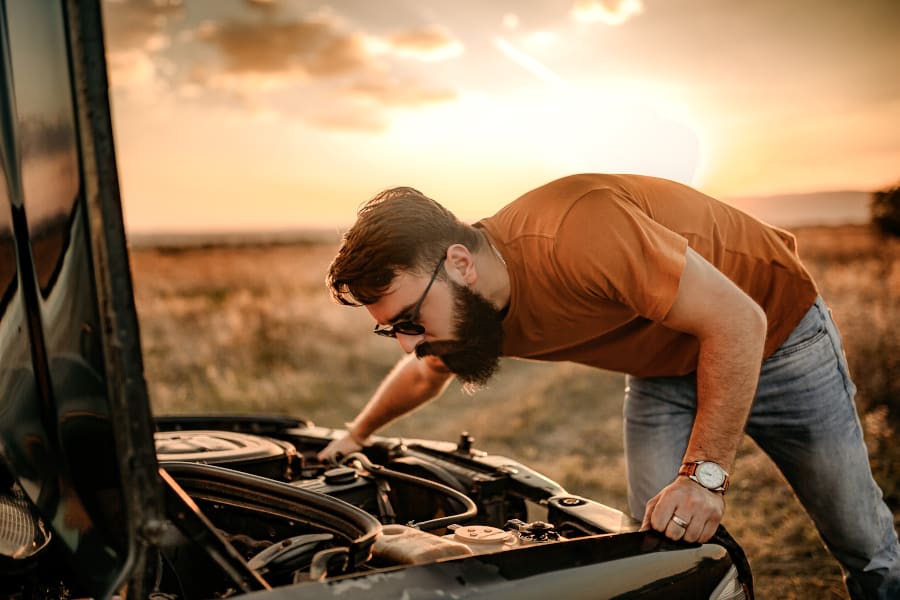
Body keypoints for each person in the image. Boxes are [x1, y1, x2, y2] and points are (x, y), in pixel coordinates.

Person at [318, 173, 899, 599]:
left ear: (461, 263)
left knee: (861, 542)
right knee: (662, 555)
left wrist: (704, 477)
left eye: (411, 321)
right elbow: (423, 368)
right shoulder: (463, 311)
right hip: (661, 370)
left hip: (777, 333)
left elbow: (737, 321)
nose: (408, 342)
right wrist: (355, 435)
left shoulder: (577, 231)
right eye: (390, 330)